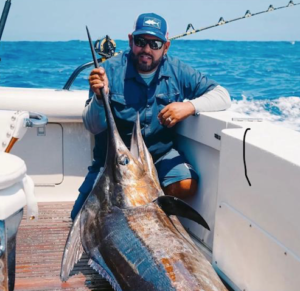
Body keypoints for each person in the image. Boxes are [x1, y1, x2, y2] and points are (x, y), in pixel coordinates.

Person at [71, 12, 231, 220]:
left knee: (186, 184)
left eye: (155, 44)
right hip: (113, 164)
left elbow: (222, 95)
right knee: (80, 220)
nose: (146, 49)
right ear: (130, 40)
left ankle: (149, 216)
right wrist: (101, 98)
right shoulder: (107, 70)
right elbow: (92, 125)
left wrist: (189, 107)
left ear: (166, 47)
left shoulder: (177, 71)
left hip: (159, 155)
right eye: (140, 42)